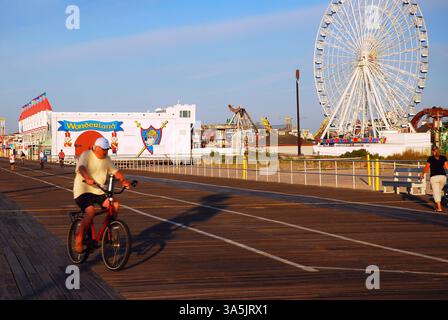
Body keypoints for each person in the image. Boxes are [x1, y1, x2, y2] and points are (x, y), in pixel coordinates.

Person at [73, 137, 131, 253]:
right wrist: (87, 178)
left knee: (115, 205)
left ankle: (109, 228)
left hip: (99, 191)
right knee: (90, 212)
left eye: (107, 149)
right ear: (97, 148)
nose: (106, 152)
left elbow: (116, 172)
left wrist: (123, 181)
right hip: (83, 190)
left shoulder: (107, 159)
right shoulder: (87, 155)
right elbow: (81, 168)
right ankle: (79, 238)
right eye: (104, 149)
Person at [420, 146, 448, 212]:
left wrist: (422, 174)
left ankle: (439, 208)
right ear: (438, 150)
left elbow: (427, 167)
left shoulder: (430, 158)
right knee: (439, 191)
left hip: (434, 177)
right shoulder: (443, 157)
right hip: (442, 177)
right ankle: (438, 205)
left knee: (436, 192)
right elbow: (447, 167)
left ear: (433, 151)